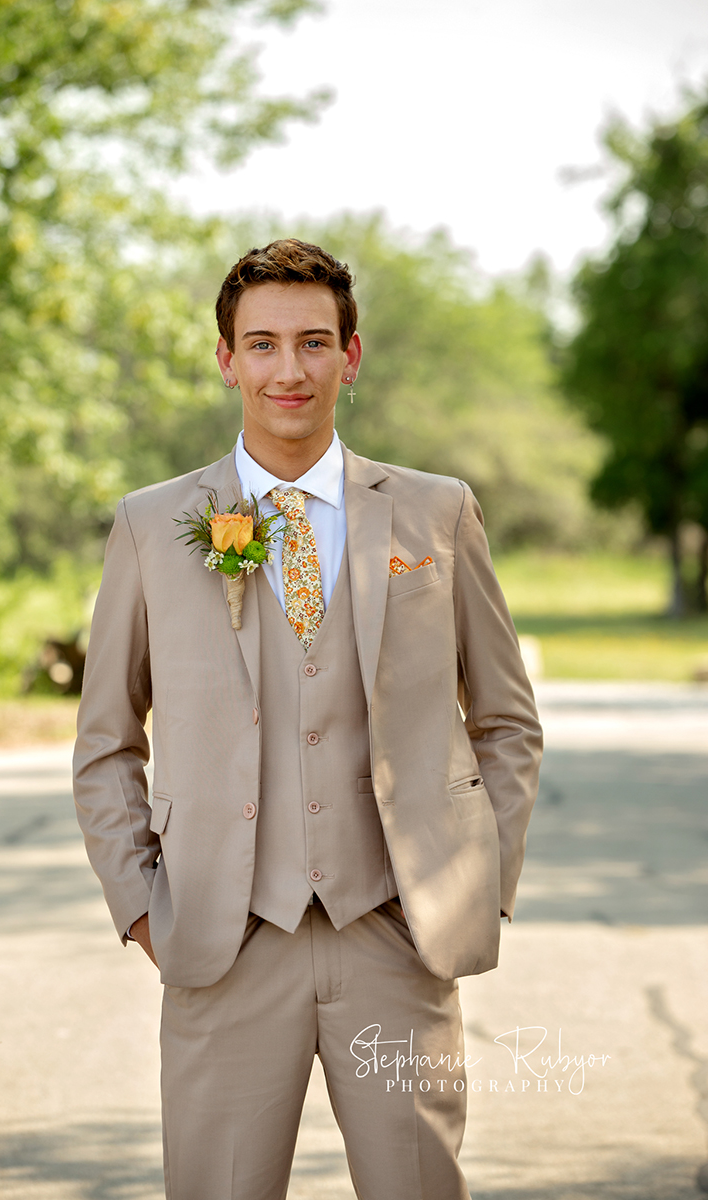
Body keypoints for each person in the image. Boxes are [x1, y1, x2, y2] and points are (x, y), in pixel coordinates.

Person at [73, 238, 543, 1200]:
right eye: (263, 344)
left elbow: (505, 720)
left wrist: (474, 883)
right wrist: (142, 908)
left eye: (315, 343)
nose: (290, 370)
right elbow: (107, 741)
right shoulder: (154, 525)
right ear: (226, 358)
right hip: (223, 941)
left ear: (351, 356)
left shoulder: (436, 513)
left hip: (396, 935)